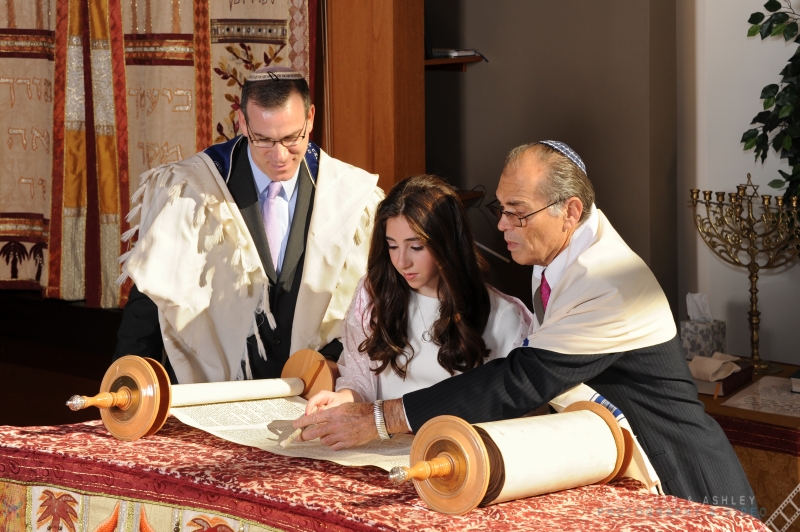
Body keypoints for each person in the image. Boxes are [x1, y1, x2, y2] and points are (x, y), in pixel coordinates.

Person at [293, 141, 755, 506]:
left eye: (518, 212)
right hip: (612, 459)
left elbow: (519, 380)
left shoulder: (607, 282)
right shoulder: (555, 252)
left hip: (681, 471)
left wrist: (381, 417)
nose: (503, 225)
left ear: (569, 211)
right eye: (500, 209)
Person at [114, 66, 383, 384]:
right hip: (211, 394)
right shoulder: (189, 188)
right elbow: (150, 299)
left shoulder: (351, 195)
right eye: (263, 140)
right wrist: (127, 384)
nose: (280, 155)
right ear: (242, 122)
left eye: (291, 138)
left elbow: (369, 306)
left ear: (310, 118)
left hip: (309, 394)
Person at [304, 174, 531, 414]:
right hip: (377, 444)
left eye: (416, 247)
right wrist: (345, 398)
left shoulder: (504, 316)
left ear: (447, 243)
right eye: (392, 245)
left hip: (454, 448)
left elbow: (510, 409)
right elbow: (358, 378)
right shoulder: (373, 293)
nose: (402, 262)